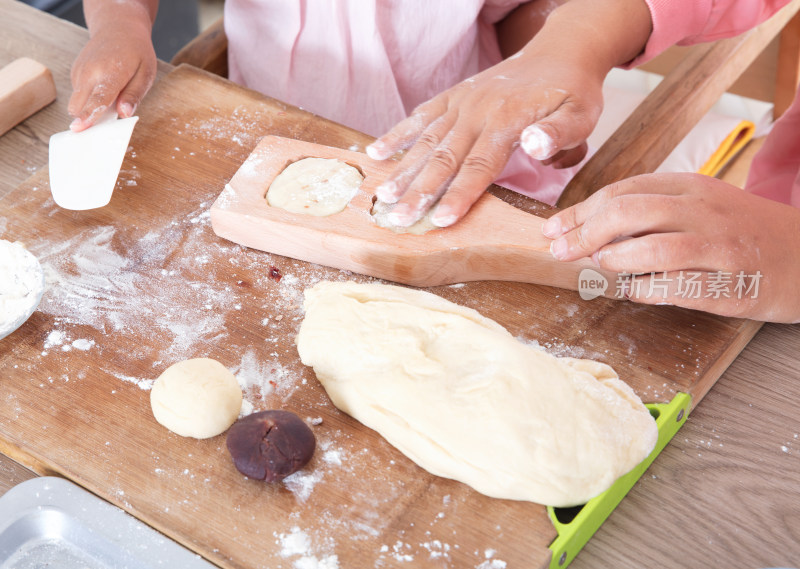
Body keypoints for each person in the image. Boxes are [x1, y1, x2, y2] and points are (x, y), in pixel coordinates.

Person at [69, 0, 582, 206]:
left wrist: (537, 86)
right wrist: (121, 22)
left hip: (458, 157)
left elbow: (528, 12)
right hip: (267, 144)